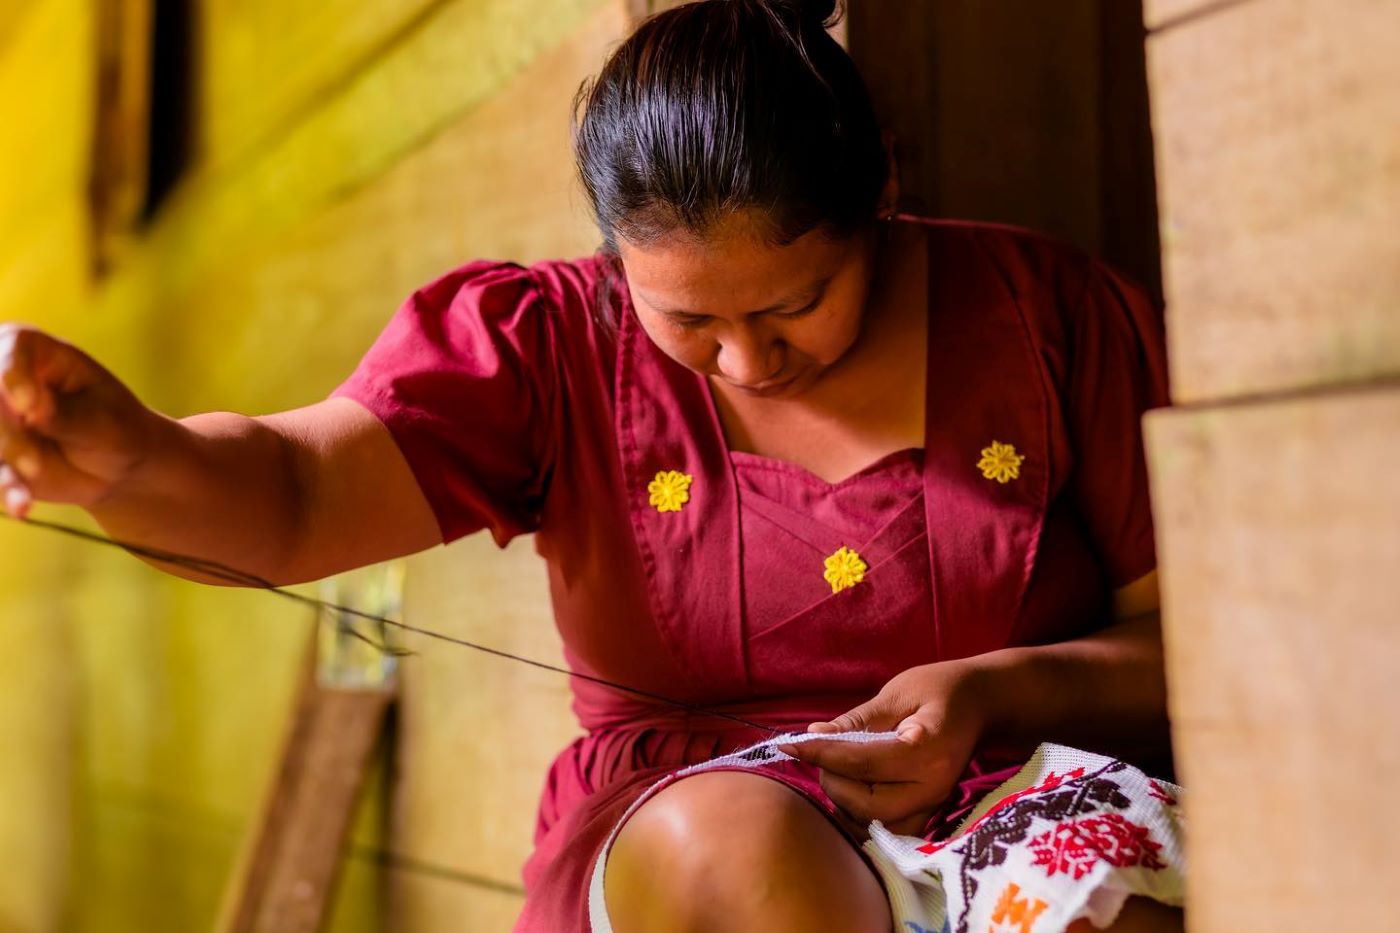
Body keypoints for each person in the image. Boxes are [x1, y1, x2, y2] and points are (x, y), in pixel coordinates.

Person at [0, 1, 1185, 930]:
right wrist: (125, 455)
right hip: (699, 851)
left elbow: (1189, 641)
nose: (742, 359)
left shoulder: (1044, 316)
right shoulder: (548, 345)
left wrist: (993, 691)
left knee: (1100, 896)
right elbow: (298, 493)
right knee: (733, 854)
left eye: (796, 303)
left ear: (876, 189)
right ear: (613, 256)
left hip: (1013, 778)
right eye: (685, 322)